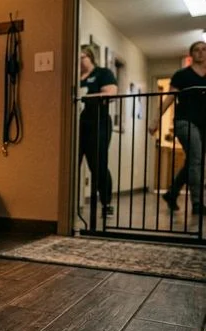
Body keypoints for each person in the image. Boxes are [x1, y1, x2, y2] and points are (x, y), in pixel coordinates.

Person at [149, 41, 206, 215]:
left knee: (193, 161)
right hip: (185, 121)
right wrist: (156, 119)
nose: (200, 53)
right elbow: (169, 98)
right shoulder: (182, 75)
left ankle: (172, 193)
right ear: (191, 55)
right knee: (196, 159)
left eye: (204, 50)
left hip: (204, 124)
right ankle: (197, 203)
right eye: (196, 50)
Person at [79, 45, 118, 216]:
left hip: (98, 123)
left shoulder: (103, 73)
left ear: (89, 56)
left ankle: (105, 203)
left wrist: (83, 97)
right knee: (73, 163)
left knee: (98, 164)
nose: (79, 61)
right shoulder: (74, 76)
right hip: (78, 125)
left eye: (81, 57)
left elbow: (110, 93)